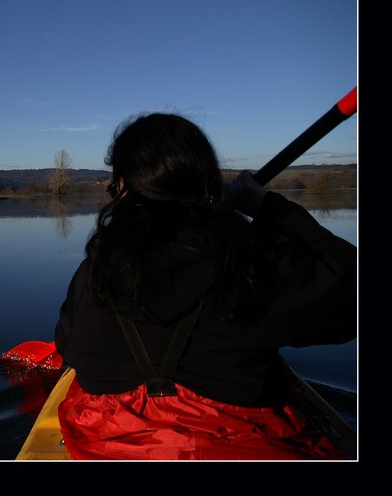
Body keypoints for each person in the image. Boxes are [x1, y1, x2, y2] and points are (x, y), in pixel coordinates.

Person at [54, 112, 356, 460]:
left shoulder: (93, 273)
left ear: (123, 188)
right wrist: (270, 209)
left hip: (109, 446)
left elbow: (67, 345)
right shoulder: (249, 267)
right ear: (206, 182)